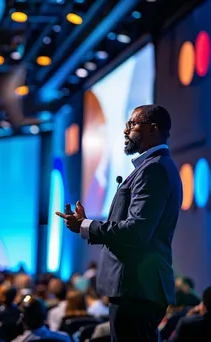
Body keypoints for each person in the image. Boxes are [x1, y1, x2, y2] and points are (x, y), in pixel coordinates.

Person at [56, 105, 183, 342]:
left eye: (132, 124)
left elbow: (136, 232)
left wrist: (85, 226)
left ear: (153, 129)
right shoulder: (153, 167)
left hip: (135, 290)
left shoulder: (153, 169)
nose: (126, 131)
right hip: (136, 290)